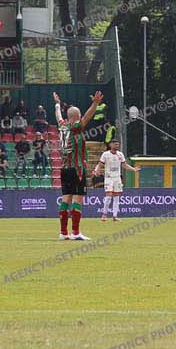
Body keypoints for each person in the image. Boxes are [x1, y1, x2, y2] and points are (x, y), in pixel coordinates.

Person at [54, 90, 106, 240]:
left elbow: (58, 116)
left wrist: (57, 105)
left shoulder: (62, 127)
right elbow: (87, 118)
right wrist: (95, 103)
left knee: (65, 199)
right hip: (77, 168)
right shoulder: (75, 127)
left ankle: (63, 233)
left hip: (65, 169)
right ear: (77, 116)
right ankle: (76, 232)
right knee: (78, 199)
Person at [93, 139, 139, 222]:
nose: (117, 146)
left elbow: (124, 165)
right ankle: (104, 214)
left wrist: (133, 169)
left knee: (116, 197)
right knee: (108, 196)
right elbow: (100, 164)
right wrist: (96, 170)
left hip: (117, 178)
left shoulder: (120, 154)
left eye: (118, 144)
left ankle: (115, 216)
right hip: (109, 178)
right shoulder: (105, 154)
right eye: (115, 144)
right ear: (110, 145)